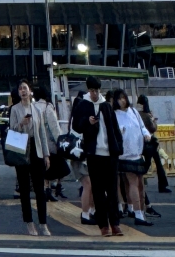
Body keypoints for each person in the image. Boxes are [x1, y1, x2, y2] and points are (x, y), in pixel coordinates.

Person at [72, 75, 123, 238]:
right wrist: (87, 121)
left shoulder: (106, 105)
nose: (94, 93)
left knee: (113, 191)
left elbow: (114, 128)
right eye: (92, 90)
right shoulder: (83, 104)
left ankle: (115, 223)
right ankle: (103, 225)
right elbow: (76, 126)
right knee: (98, 191)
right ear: (88, 90)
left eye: (97, 90)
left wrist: (118, 147)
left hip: (110, 153)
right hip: (94, 153)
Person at [10, 79, 51, 236]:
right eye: (20, 89)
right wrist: (21, 123)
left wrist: (46, 154)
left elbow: (42, 133)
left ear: (30, 91)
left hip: (36, 147)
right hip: (21, 146)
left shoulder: (37, 109)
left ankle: (43, 223)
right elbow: (12, 129)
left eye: (25, 88)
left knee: (40, 189)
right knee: (24, 188)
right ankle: (29, 222)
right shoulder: (15, 109)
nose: (23, 91)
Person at [113, 89, 152, 227]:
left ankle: (140, 210)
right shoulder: (114, 115)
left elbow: (142, 127)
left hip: (138, 151)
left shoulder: (134, 112)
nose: (122, 101)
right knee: (133, 182)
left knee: (140, 184)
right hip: (125, 154)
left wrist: (147, 135)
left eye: (124, 98)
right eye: (119, 98)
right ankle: (137, 213)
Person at [138, 95, 168, 195]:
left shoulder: (136, 113)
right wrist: (154, 121)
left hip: (141, 142)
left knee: (153, 162)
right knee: (156, 163)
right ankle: (162, 185)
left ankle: (161, 184)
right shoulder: (147, 114)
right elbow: (153, 128)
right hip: (150, 142)